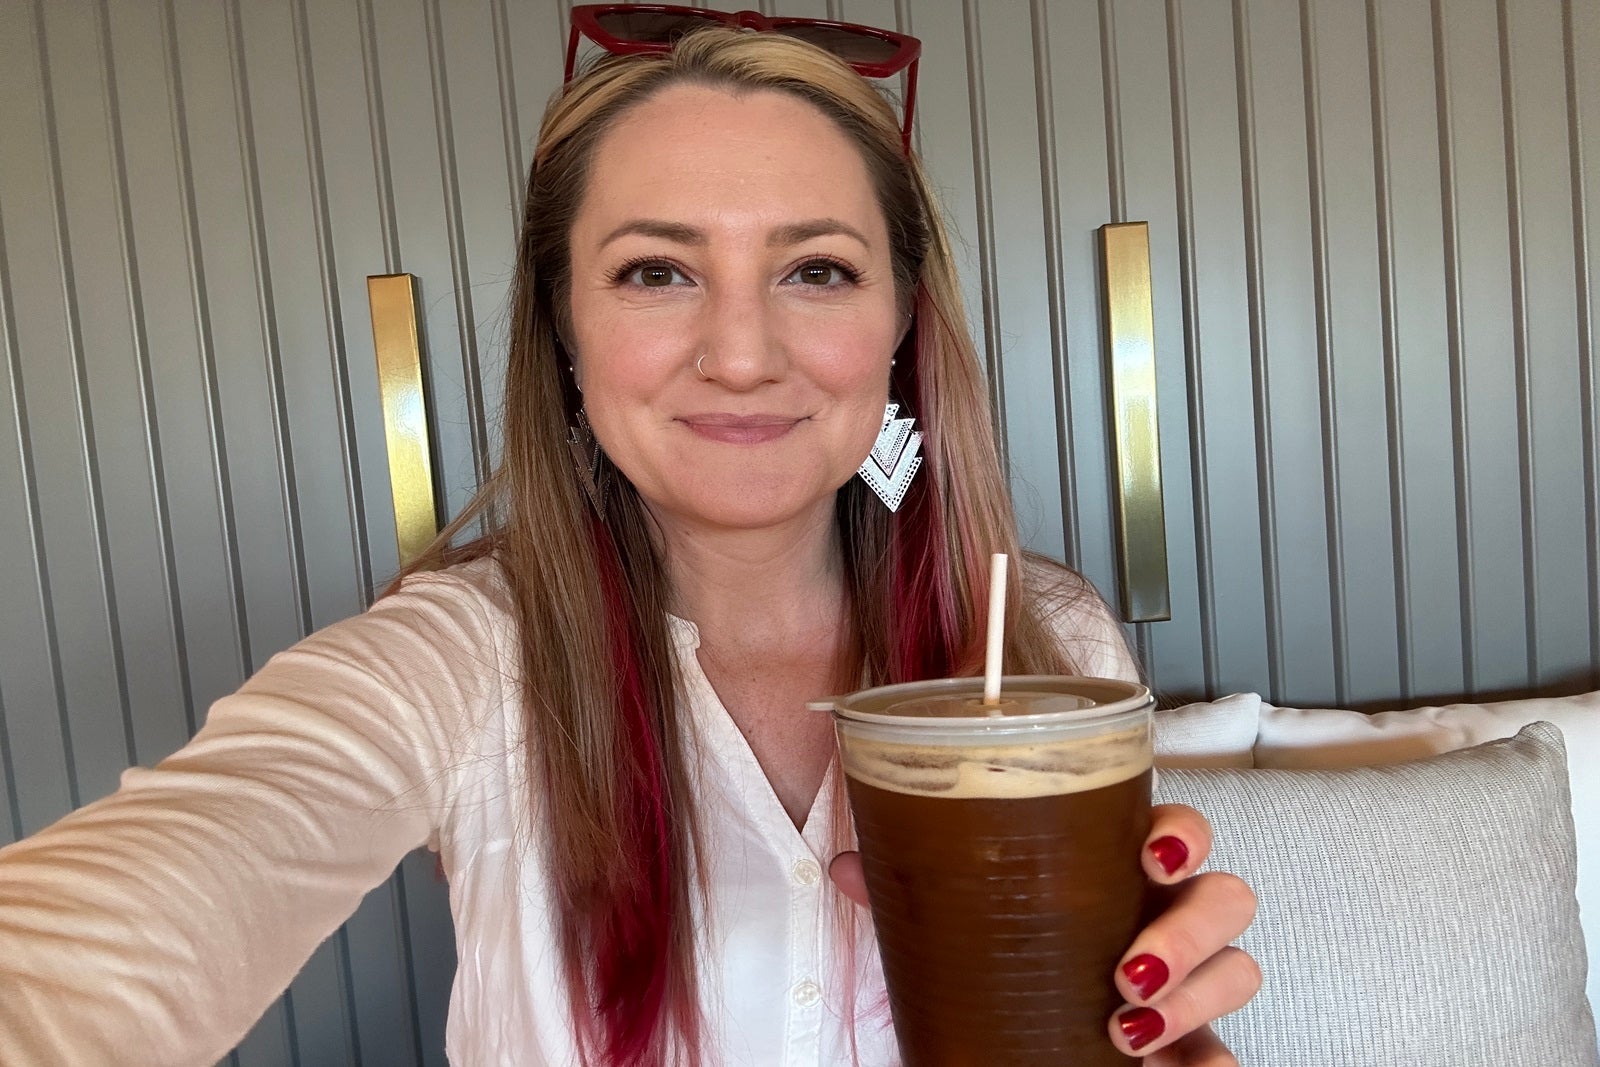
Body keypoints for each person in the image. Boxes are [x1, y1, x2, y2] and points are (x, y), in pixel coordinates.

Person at [0, 11, 1259, 1066]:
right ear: (564, 328)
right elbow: (106, 937)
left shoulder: (1050, 641)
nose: (743, 351)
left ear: (899, 323)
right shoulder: (452, 662)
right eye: (657, 271)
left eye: (815, 269)